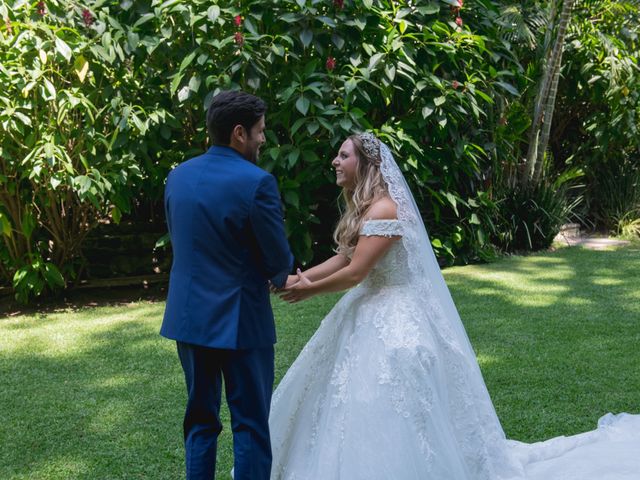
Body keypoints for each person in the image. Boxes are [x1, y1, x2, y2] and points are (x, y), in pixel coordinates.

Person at [269, 132, 640, 479]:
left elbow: (355, 273)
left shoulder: (384, 209)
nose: (335, 161)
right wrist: (301, 279)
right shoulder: (367, 208)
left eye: (343, 155)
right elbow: (342, 258)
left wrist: (306, 292)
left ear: (366, 165)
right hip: (368, 306)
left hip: (394, 312)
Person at [161, 90, 293, 480]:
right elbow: (278, 263)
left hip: (189, 318)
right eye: (260, 132)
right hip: (242, 320)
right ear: (239, 133)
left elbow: (183, 241)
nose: (263, 140)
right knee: (250, 423)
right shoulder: (257, 182)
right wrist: (284, 274)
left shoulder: (177, 176)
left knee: (200, 420)